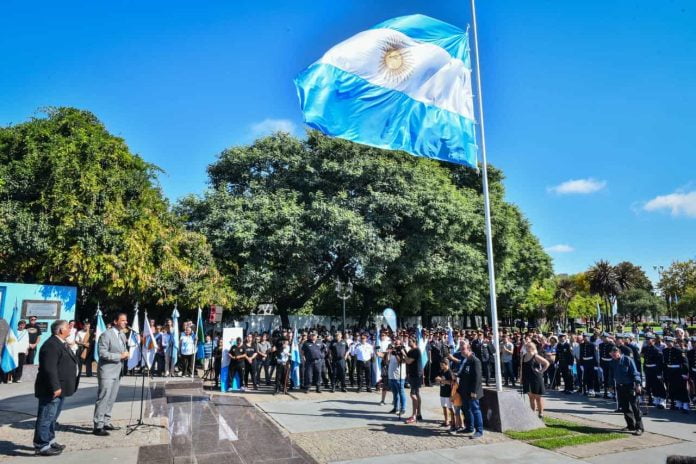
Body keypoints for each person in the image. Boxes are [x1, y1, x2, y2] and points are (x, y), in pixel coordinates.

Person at [33, 320, 79, 456]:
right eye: (67, 327)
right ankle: (41, 445)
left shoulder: (60, 343)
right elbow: (49, 369)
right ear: (60, 330)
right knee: (46, 416)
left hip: (61, 387)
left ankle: (50, 440)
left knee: (53, 417)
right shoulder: (51, 345)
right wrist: (55, 387)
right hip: (52, 389)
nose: (70, 329)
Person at [93, 313, 129, 436]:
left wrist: (125, 355)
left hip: (118, 370)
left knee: (112, 397)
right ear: (115, 321)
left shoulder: (123, 335)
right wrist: (120, 356)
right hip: (107, 371)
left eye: (126, 320)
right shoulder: (106, 334)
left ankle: (106, 421)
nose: (125, 322)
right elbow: (102, 353)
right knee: (103, 397)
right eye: (123, 320)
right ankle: (98, 425)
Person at [609, 345, 644, 435]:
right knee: (625, 407)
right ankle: (630, 425)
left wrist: (638, 385)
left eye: (614, 355)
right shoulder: (613, 361)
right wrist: (611, 385)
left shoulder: (627, 360)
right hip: (620, 387)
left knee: (635, 407)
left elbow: (635, 373)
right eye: (612, 355)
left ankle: (639, 427)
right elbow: (612, 374)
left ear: (619, 353)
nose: (613, 356)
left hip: (630, 386)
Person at [457, 341, 484, 439]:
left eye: (463, 348)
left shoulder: (475, 360)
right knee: (466, 409)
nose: (461, 350)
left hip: (473, 391)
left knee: (475, 410)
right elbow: (463, 374)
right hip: (464, 390)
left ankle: (479, 430)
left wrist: (474, 391)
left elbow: (477, 378)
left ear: (469, 348)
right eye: (460, 348)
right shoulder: (465, 360)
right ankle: (469, 427)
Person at [521, 342, 550, 418]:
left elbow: (547, 363)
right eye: (527, 346)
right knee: (531, 397)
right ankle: (532, 413)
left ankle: (540, 413)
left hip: (536, 378)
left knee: (538, 397)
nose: (528, 348)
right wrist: (521, 378)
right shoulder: (523, 356)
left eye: (530, 347)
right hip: (527, 378)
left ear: (533, 348)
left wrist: (541, 371)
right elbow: (521, 368)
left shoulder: (535, 356)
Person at [662, 336, 690, 413]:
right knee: (671, 388)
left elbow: (685, 363)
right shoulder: (665, 351)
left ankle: (685, 405)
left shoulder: (679, 351)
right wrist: (664, 372)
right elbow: (664, 363)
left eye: (669, 342)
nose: (668, 344)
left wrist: (685, 373)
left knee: (682, 388)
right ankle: (675, 403)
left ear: (673, 342)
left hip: (678, 371)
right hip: (669, 371)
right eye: (666, 342)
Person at [642, 333, 667, 408]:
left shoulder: (657, 350)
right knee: (650, 384)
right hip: (648, 369)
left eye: (649, 339)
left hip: (655, 369)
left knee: (659, 385)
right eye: (646, 339)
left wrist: (659, 372)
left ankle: (662, 400)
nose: (647, 341)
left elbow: (660, 362)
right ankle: (656, 398)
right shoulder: (645, 348)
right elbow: (644, 358)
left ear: (653, 340)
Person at [404, 336, 423, 424]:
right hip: (412, 374)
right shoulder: (410, 351)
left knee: (413, 394)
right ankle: (418, 413)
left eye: (410, 341)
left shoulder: (416, 350)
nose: (408, 342)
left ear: (414, 342)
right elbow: (405, 361)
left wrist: (403, 353)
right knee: (417, 394)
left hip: (416, 375)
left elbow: (408, 361)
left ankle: (414, 415)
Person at [386, 338, 407, 415]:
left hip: (399, 375)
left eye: (398, 344)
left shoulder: (403, 351)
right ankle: (396, 408)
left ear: (401, 344)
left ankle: (403, 408)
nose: (396, 345)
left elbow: (401, 362)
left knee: (401, 392)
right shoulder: (392, 352)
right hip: (391, 375)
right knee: (395, 393)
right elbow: (387, 362)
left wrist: (396, 354)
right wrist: (388, 353)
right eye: (395, 344)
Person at [435, 360, 455, 429]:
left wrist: (441, 380)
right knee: (444, 406)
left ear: (446, 364)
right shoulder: (442, 371)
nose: (441, 366)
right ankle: (446, 420)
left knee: (450, 408)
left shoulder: (449, 372)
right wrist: (437, 380)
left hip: (448, 393)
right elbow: (439, 380)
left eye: (442, 365)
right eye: (441, 365)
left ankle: (453, 422)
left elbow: (451, 383)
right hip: (442, 392)